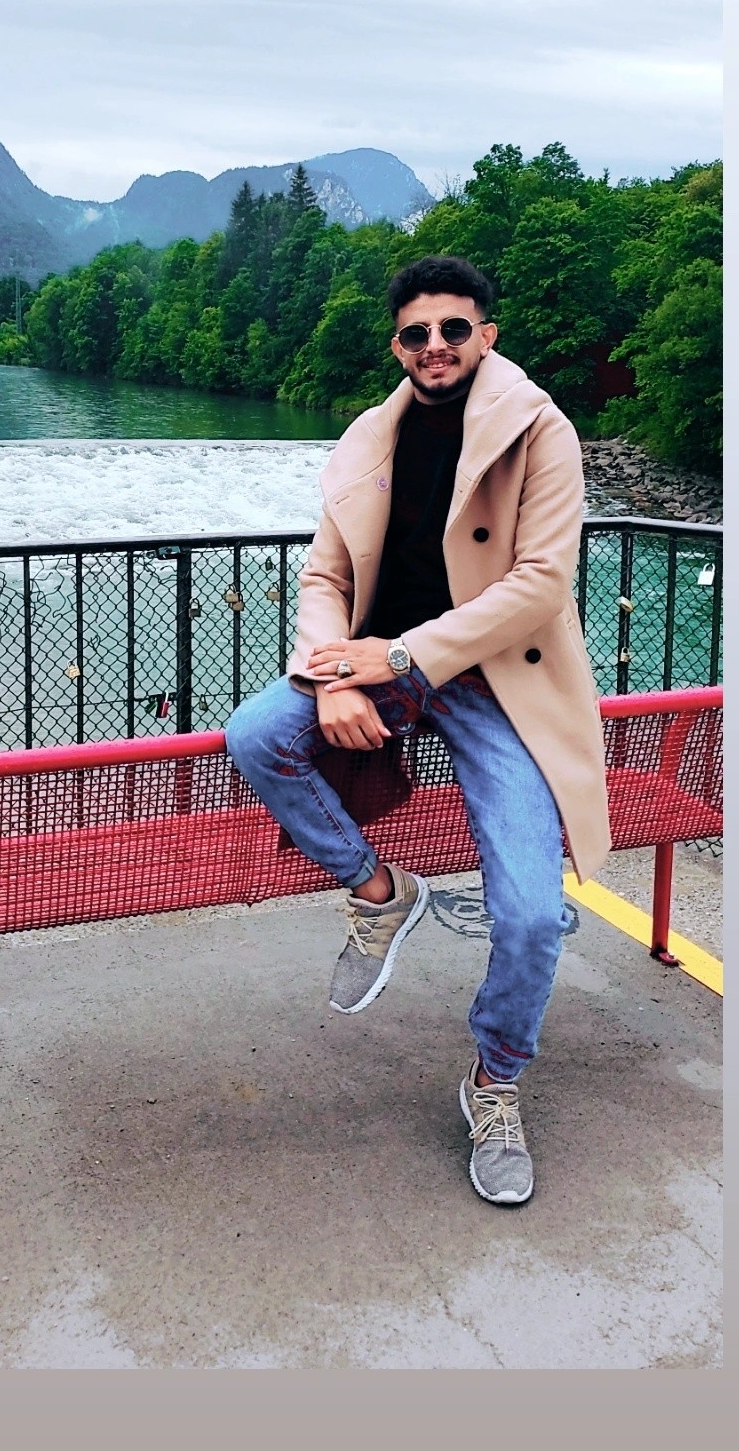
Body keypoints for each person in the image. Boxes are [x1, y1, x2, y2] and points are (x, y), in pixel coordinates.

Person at [225, 254, 609, 1205]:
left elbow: (540, 585)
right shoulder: (369, 435)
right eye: (415, 332)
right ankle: (380, 891)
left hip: (493, 680)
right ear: (396, 345)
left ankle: (496, 1080)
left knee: (530, 915)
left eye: (453, 328)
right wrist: (331, 675)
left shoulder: (542, 430)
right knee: (257, 734)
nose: (435, 345)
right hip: (371, 661)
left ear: (487, 334)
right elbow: (324, 578)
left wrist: (398, 660)